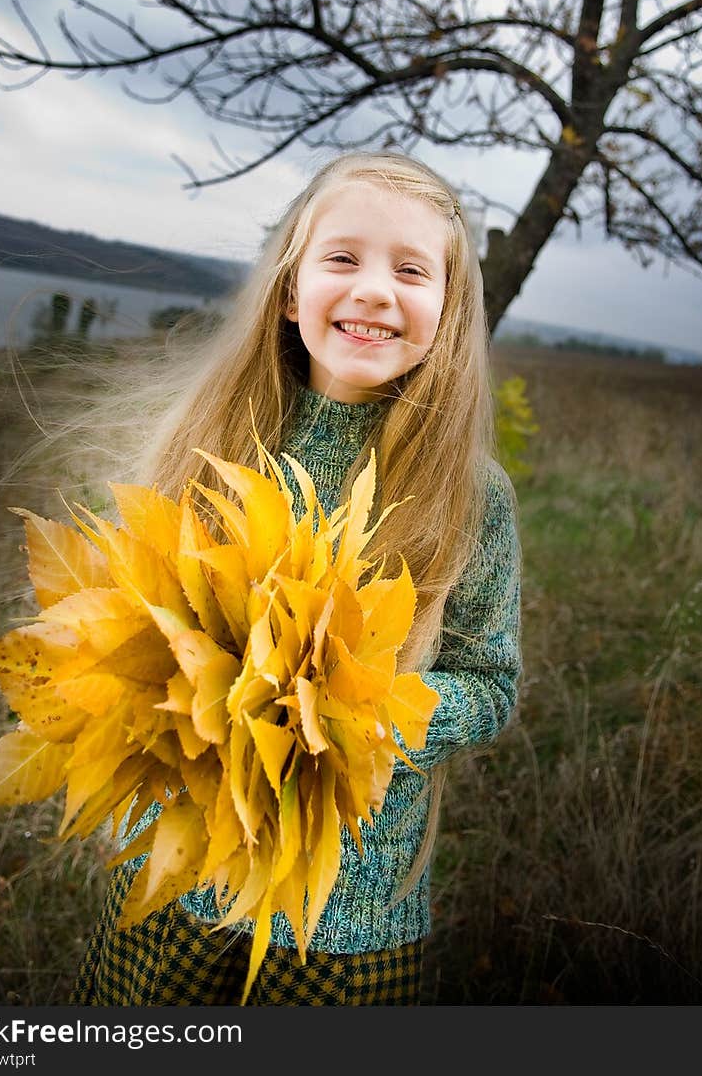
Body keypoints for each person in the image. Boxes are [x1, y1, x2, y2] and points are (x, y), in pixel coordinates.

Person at [69, 150, 522, 1006]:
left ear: (449, 312)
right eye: (343, 258)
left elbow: (490, 683)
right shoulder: (216, 434)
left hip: (347, 912)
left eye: (412, 270)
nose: (375, 289)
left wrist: (375, 710)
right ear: (288, 289)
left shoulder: (467, 494)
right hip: (184, 875)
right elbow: (136, 612)